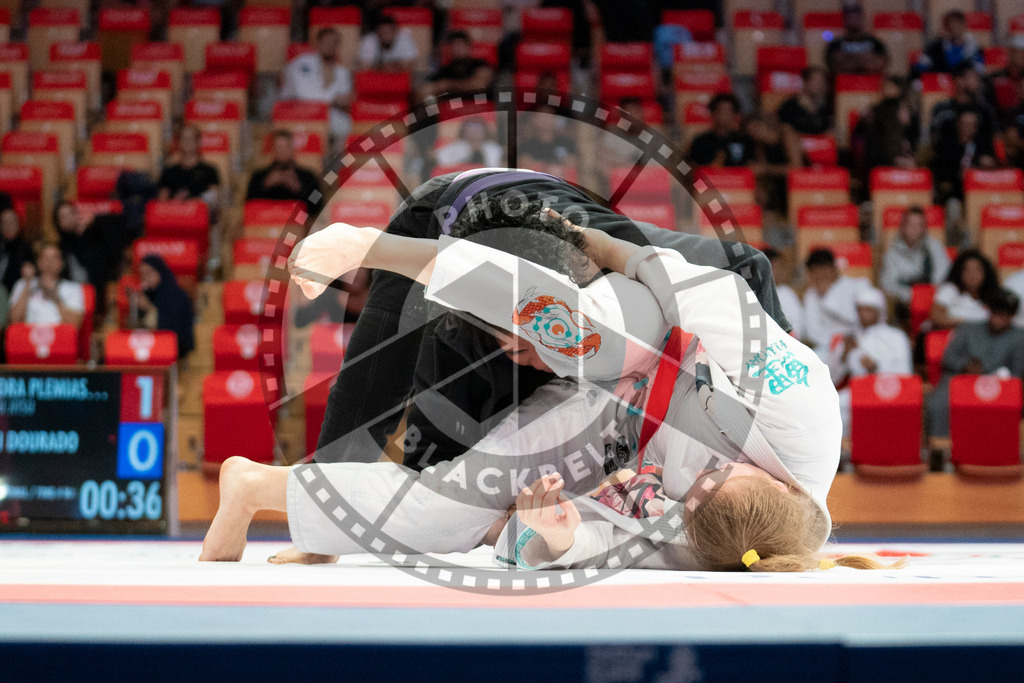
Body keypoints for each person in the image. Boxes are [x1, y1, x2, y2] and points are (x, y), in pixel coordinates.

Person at [201, 210, 894, 573]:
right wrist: (606, 246)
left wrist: (550, 539)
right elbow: (712, 294)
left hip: (616, 425)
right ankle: (370, 246)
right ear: (785, 488)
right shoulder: (806, 418)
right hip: (651, 322)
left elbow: (609, 539)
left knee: (455, 514)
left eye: (700, 493)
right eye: (724, 476)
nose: (707, 476)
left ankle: (257, 488)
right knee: (583, 337)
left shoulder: (712, 538)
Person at [926, 288, 1024, 437]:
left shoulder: (1019, 337)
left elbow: (1017, 371)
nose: (998, 319)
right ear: (989, 311)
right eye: (995, 314)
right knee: (938, 404)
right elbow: (949, 357)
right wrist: (966, 366)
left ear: (1011, 317)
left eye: (1004, 316)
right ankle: (940, 448)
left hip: (999, 384)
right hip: (961, 378)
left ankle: (1000, 452)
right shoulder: (968, 328)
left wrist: (998, 376)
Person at [830, 287, 913, 434]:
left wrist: (876, 367)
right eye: (860, 310)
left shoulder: (896, 337)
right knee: (830, 407)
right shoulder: (850, 337)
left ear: (880, 311)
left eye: (869, 310)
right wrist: (844, 355)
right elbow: (833, 378)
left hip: (889, 393)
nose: (864, 314)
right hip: (858, 392)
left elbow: (905, 375)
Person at [280, 27, 354, 148]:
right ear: (318, 44)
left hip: (326, 113)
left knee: (346, 125)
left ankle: (335, 163)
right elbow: (303, 94)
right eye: (326, 42)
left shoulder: (342, 72)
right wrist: (333, 99)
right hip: (297, 110)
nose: (330, 46)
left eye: (334, 42)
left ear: (338, 46)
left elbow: (345, 100)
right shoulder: (302, 63)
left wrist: (340, 101)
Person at [55, 201, 129, 313]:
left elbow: (123, 227)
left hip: (97, 299)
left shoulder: (95, 235)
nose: (69, 218)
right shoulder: (59, 249)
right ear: (58, 223)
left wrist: (96, 220)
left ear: (78, 214)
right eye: (63, 216)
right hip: (69, 303)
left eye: (71, 213)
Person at [802, 248, 871, 362]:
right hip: (827, 348)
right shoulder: (811, 295)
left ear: (834, 268)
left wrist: (828, 297)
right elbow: (812, 332)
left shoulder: (858, 285)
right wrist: (836, 342)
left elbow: (857, 319)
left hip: (859, 342)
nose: (820, 276)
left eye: (824, 270)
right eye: (815, 271)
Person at [879, 206, 951, 307]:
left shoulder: (934, 246)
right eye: (910, 224)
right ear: (903, 226)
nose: (914, 229)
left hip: (934, 300)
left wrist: (928, 294)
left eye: (919, 225)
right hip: (906, 303)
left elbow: (943, 274)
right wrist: (913, 295)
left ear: (924, 228)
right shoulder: (892, 253)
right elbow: (888, 284)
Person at [132, 254, 195, 358]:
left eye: (149, 273)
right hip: (151, 345)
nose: (145, 278)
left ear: (159, 271)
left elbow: (172, 328)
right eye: (142, 274)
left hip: (175, 345)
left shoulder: (174, 294)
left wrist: (148, 307)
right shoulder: (148, 293)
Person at [8, 243, 84, 327]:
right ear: (38, 262)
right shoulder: (23, 283)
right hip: (28, 336)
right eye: (45, 257)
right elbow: (13, 320)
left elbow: (75, 324)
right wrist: (28, 286)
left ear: (62, 263)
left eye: (54, 258)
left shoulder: (73, 288)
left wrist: (55, 296)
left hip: (59, 336)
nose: (49, 262)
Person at [246, 130, 321, 213]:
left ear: (292, 149)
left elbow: (318, 206)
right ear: (272, 150)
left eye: (286, 147)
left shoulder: (309, 176)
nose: (282, 151)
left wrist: (299, 189)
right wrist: (265, 185)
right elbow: (248, 206)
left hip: (297, 222)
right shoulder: (258, 176)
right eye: (278, 147)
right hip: (266, 222)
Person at [929, 249, 1000, 330]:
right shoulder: (950, 289)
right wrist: (966, 323)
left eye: (977, 270)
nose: (972, 275)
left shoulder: (992, 295)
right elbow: (936, 317)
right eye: (967, 270)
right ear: (959, 272)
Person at [860, 76, 919, 171]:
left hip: (904, 154)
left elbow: (913, 136)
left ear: (900, 89)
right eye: (885, 87)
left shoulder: (908, 111)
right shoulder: (877, 110)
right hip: (881, 156)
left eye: (890, 87)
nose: (886, 90)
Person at [686, 93, 755, 167]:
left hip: (738, 178)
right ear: (712, 114)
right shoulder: (700, 141)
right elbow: (686, 167)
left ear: (736, 115)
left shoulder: (745, 141)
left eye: (727, 111)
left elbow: (754, 165)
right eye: (719, 110)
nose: (723, 115)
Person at [157, 125, 221, 205]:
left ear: (198, 141)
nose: (188, 142)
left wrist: (194, 201)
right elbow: (162, 200)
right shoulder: (169, 172)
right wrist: (176, 202)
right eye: (184, 138)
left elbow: (215, 198)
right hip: (175, 213)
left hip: (200, 213)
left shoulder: (209, 170)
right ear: (178, 142)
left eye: (191, 138)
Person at [421, 31, 494, 99]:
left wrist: (449, 85)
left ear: (468, 47)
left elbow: (479, 86)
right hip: (451, 108)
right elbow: (427, 89)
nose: (457, 49)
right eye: (453, 46)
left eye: (460, 45)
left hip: (479, 106)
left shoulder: (480, 64)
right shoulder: (446, 70)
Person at [824, 3, 888, 76]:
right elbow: (835, 67)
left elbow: (880, 64)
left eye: (857, 16)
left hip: (872, 83)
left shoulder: (876, 43)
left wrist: (848, 58)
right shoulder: (835, 45)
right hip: (842, 83)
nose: (853, 20)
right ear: (844, 20)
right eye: (850, 17)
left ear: (863, 19)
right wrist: (865, 58)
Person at [916, 10, 984, 76]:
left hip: (967, 79)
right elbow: (921, 67)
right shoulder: (936, 46)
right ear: (946, 28)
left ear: (964, 26)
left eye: (958, 25)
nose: (955, 30)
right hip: (942, 79)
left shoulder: (972, 46)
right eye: (951, 26)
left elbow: (980, 68)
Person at [777, 66, 833, 139]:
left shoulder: (826, 109)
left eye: (822, 81)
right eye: (815, 80)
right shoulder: (790, 106)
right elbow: (785, 130)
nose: (819, 85)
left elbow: (828, 129)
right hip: (796, 143)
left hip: (820, 146)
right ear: (805, 82)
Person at [518, 105, 578, 172]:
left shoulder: (566, 142)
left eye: (548, 116)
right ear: (534, 120)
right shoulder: (527, 145)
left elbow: (574, 162)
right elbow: (523, 163)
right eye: (540, 117)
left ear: (555, 119)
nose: (545, 120)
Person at [764, 247, 804, 340]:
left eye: (781, 267)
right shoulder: (753, 292)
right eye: (775, 267)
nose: (780, 272)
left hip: (785, 344)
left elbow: (797, 326)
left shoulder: (786, 293)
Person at [434, 117, 504, 169]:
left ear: (485, 130)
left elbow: (494, 166)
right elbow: (442, 161)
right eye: (470, 126)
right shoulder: (455, 146)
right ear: (463, 130)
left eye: (478, 127)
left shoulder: (494, 148)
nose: (474, 131)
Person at [0, 208, 33, 293]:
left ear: (18, 224)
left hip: (16, 293)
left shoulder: (26, 249)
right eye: (4, 223)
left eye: (12, 222)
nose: (8, 226)